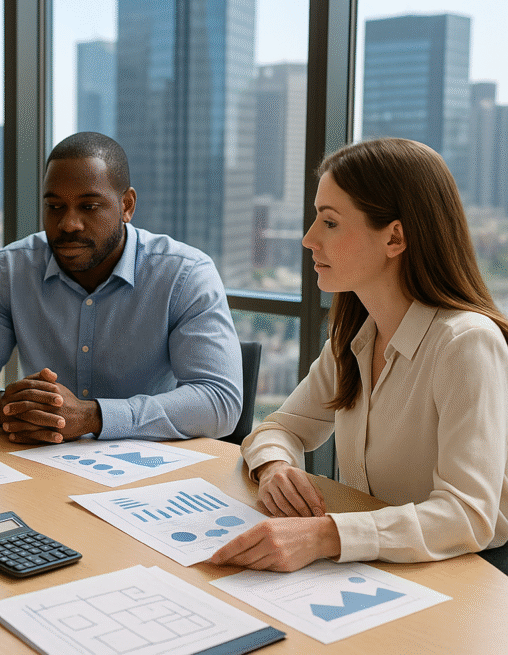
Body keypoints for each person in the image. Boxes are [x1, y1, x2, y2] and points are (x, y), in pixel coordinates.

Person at [209, 138, 508, 572]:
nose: (309, 238)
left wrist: (325, 535)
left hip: (464, 575)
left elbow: (467, 515)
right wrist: (275, 468)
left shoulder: (466, 344)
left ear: (395, 237)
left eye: (330, 222)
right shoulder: (354, 338)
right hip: (373, 568)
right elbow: (279, 428)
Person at [0, 132, 242, 443]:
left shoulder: (185, 274)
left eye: (89, 207)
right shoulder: (10, 269)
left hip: (147, 468)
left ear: (127, 205)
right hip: (39, 461)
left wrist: (92, 416)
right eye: (54, 207)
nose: (69, 224)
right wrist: (7, 407)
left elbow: (219, 401)